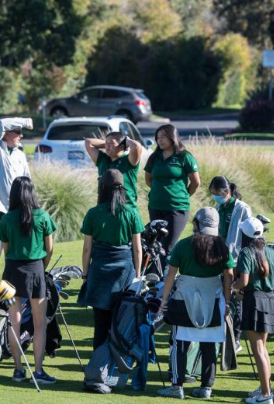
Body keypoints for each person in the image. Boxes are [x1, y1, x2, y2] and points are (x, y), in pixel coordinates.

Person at [158, 208, 234, 400]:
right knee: (209, 344)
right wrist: (226, 302)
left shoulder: (183, 245)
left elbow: (170, 275)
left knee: (180, 343)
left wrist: (164, 300)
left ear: (196, 224)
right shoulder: (222, 246)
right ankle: (206, 387)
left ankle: (177, 386)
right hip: (214, 300)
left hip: (184, 299)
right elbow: (229, 276)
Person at [0, 176, 58, 384]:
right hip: (35, 270)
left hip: (11, 271)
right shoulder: (42, 216)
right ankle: (38, 370)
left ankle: (18, 369)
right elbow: (49, 249)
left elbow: (5, 250)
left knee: (13, 323)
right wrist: (42, 268)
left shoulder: (6, 219)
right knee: (40, 324)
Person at [80, 169, 144, 349]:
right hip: (124, 272)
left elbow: (87, 249)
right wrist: (138, 276)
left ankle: (97, 367)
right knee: (121, 322)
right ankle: (116, 366)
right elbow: (137, 249)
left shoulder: (93, 213)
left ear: (102, 187)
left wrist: (85, 275)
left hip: (99, 271)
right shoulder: (131, 212)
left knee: (100, 324)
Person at [233, 217, 274, 404]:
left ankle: (266, 394)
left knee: (258, 350)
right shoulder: (271, 251)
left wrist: (232, 288)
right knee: (263, 349)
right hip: (269, 301)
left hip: (254, 301)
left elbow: (242, 281)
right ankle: (265, 387)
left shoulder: (246, 253)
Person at [0, 117, 33, 295]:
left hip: (16, 212)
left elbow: (28, 181)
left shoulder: (20, 154)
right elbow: (1, 123)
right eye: (18, 132)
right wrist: (26, 121)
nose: (21, 135)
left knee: (16, 253)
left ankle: (12, 290)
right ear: (6, 134)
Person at [144, 124, 200, 266]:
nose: (160, 140)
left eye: (163, 137)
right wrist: (160, 192)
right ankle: (153, 279)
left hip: (177, 209)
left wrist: (182, 195)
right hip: (155, 207)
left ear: (172, 137)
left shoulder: (184, 156)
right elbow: (148, 179)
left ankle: (164, 282)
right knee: (154, 245)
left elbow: (195, 182)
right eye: (157, 138)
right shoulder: (154, 157)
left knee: (167, 247)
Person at [209, 175, 252, 352]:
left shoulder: (242, 208)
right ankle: (221, 334)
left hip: (235, 260)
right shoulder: (219, 207)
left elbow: (247, 236)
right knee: (222, 297)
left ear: (226, 192)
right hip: (219, 258)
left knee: (235, 298)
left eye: (216, 193)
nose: (214, 197)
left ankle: (235, 339)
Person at [84, 132, 143, 207]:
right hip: (104, 207)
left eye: (111, 143)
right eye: (106, 143)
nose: (107, 147)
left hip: (126, 207)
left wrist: (126, 142)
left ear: (122, 145)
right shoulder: (103, 160)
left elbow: (136, 146)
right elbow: (88, 142)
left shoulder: (129, 161)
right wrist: (110, 143)